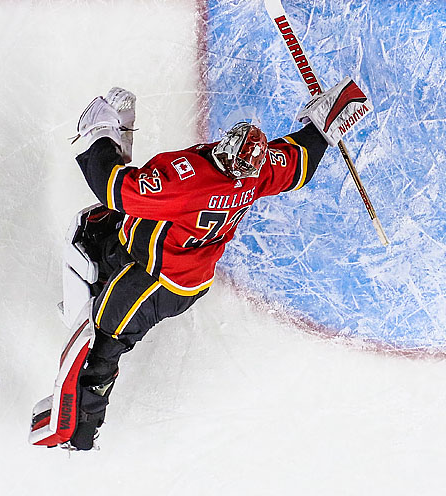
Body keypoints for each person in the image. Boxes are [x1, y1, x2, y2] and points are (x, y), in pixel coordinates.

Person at [59, 86, 331, 450]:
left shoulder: (188, 184)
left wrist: (101, 133)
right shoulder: (258, 172)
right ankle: (96, 290)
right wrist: (322, 128)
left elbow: (115, 187)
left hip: (162, 281)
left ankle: (79, 432)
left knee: (105, 340)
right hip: (171, 258)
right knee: (96, 236)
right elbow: (299, 163)